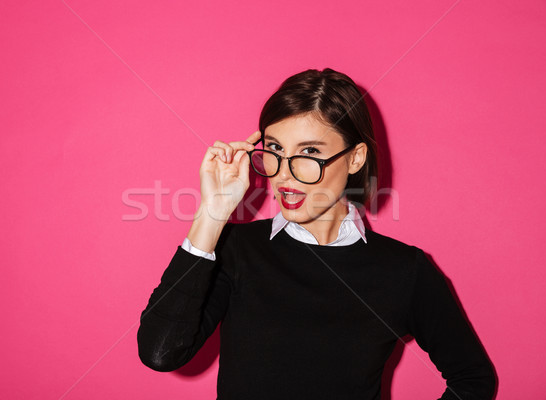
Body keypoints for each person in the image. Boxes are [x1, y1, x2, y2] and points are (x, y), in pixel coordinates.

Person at [137, 68, 496, 399]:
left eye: (309, 152)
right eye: (275, 150)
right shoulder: (235, 250)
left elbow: (472, 378)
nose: (284, 175)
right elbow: (160, 353)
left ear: (355, 159)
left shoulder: (405, 270)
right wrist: (211, 215)